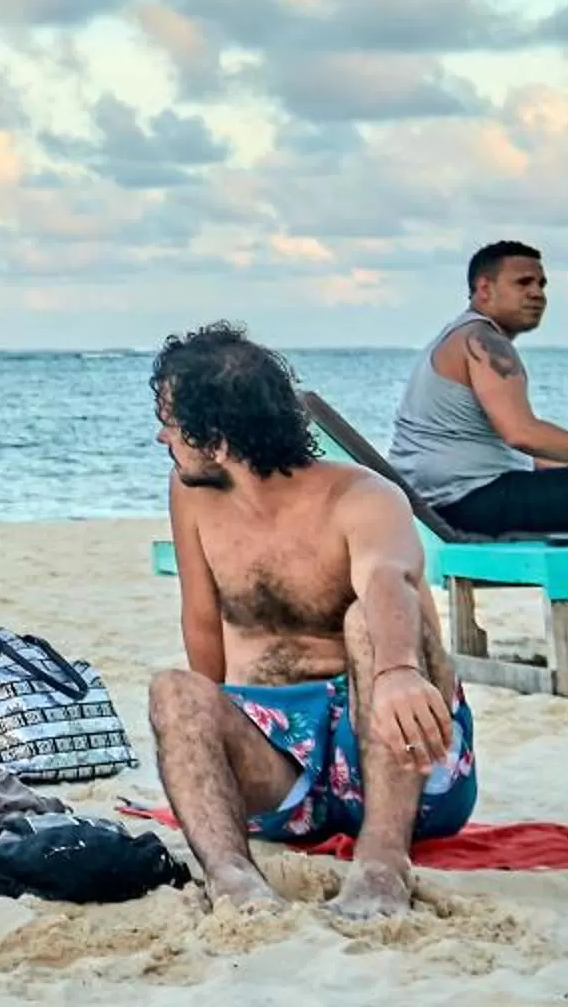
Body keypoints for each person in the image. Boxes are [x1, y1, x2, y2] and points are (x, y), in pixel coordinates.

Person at [150, 323, 476, 918]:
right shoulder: (191, 493)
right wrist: (212, 735)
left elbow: (387, 581)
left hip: (402, 754)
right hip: (284, 775)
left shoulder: (363, 496)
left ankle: (382, 864)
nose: (161, 435)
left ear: (215, 437)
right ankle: (234, 882)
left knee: (363, 621)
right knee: (175, 692)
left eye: (171, 420)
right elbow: (200, 621)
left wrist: (400, 670)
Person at [389, 241, 568, 536]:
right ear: (484, 289)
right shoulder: (482, 340)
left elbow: (514, 453)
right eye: (523, 283)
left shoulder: (461, 334)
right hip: (461, 503)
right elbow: (521, 433)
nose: (537, 293)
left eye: (541, 284)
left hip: (436, 497)